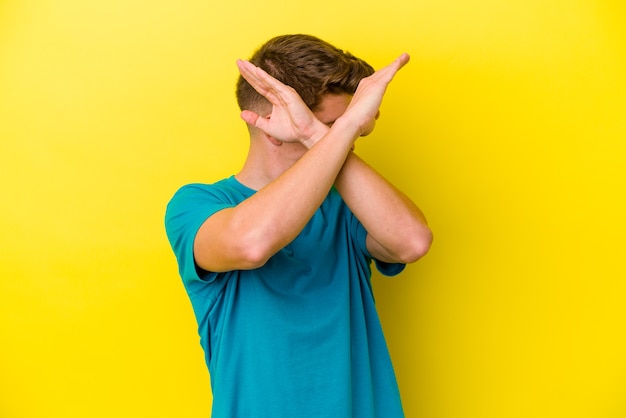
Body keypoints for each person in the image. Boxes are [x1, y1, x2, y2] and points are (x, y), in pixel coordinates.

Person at [165, 34, 433, 418]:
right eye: (331, 126)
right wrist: (328, 135)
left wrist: (316, 133)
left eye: (351, 128)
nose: (349, 140)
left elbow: (411, 241)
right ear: (274, 126)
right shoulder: (198, 205)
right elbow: (251, 244)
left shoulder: (348, 204)